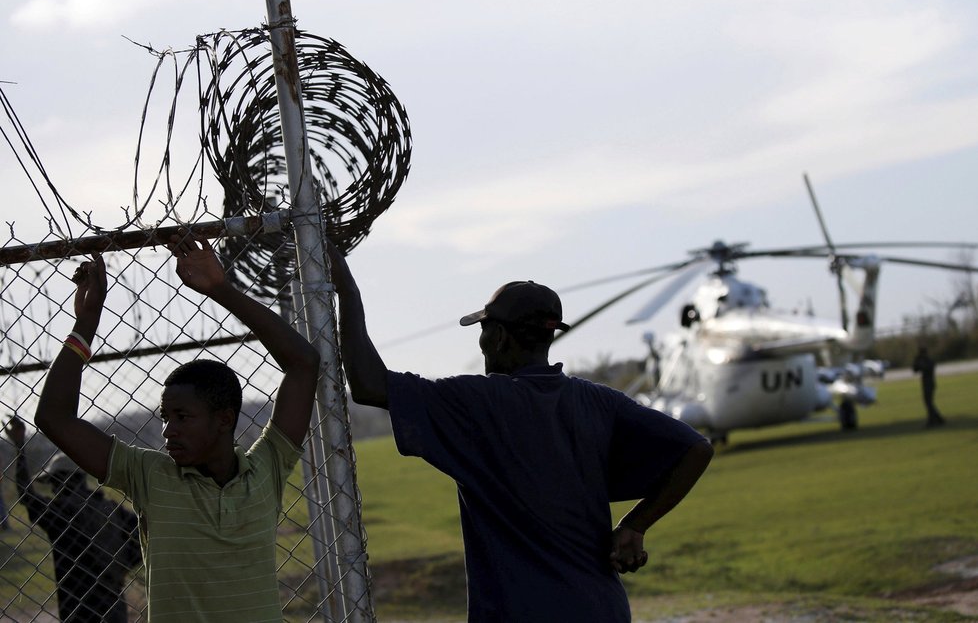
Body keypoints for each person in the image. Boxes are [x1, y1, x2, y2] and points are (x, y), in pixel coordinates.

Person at [326, 241, 714, 622]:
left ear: (498, 336)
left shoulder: (477, 403)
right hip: (603, 608)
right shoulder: (599, 401)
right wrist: (634, 524)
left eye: (483, 332)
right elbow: (696, 448)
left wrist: (347, 290)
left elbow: (369, 384)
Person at [34, 233, 321, 623]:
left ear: (224, 419)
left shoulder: (266, 468)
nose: (169, 431)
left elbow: (304, 363)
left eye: (182, 418)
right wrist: (85, 326)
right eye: (165, 418)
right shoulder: (149, 476)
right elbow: (54, 418)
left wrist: (221, 289)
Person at [4, 416, 141, 623]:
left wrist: (19, 445)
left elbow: (26, 494)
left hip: (77, 609)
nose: (52, 489)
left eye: (53, 483)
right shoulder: (111, 509)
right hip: (114, 607)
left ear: (62, 481)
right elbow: (143, 536)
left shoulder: (61, 512)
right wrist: (117, 569)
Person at [912, 346, 945, 427]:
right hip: (926, 383)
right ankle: (938, 419)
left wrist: (919, 361)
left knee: (929, 402)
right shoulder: (925, 360)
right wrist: (917, 361)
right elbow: (915, 370)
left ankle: (933, 420)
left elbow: (925, 368)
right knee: (928, 402)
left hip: (929, 383)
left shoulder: (929, 361)